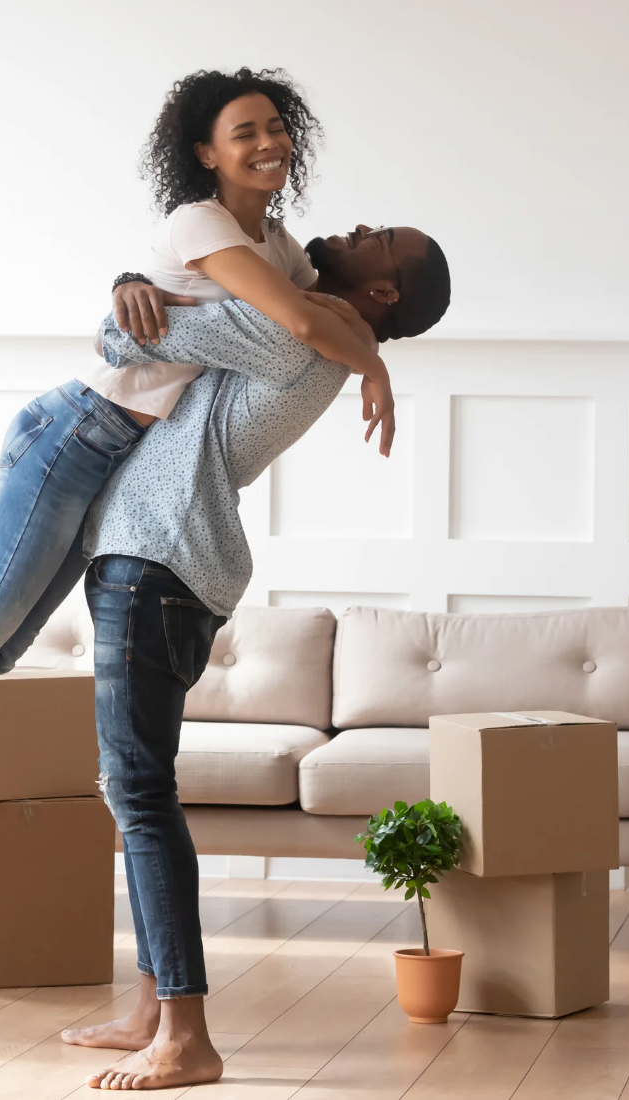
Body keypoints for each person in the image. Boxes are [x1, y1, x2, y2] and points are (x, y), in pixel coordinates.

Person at [0, 67, 405, 889]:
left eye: (275, 127)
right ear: (206, 154)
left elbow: (305, 310)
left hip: (114, 468)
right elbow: (292, 326)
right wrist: (374, 367)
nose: (267, 143)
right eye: (244, 132)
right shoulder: (199, 221)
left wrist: (349, 338)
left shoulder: (280, 248)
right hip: (76, 435)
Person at [71, 265, 450, 1089]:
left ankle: (186, 1036)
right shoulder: (314, 329)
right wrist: (135, 279)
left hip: (156, 561)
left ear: (382, 289)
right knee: (132, 788)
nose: (349, 232)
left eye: (372, 238)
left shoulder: (297, 330)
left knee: (139, 793)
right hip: (161, 560)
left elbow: (129, 336)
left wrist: (132, 294)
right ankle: (149, 1011)